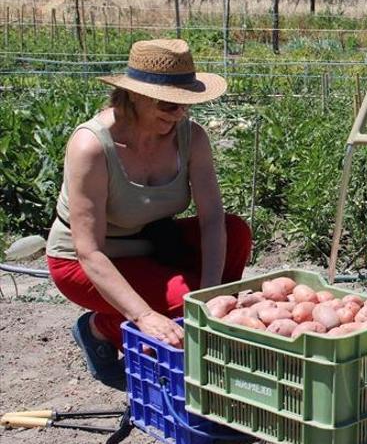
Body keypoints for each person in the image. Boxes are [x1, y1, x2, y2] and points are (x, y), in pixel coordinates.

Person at [45, 39, 252, 386]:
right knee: (177, 307)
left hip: (153, 242)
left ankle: (203, 326)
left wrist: (211, 295)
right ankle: (99, 328)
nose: (179, 113)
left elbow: (214, 218)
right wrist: (143, 315)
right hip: (85, 261)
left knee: (235, 232)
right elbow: (88, 250)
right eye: (168, 103)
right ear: (135, 96)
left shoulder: (191, 137)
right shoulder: (93, 146)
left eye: (185, 103)